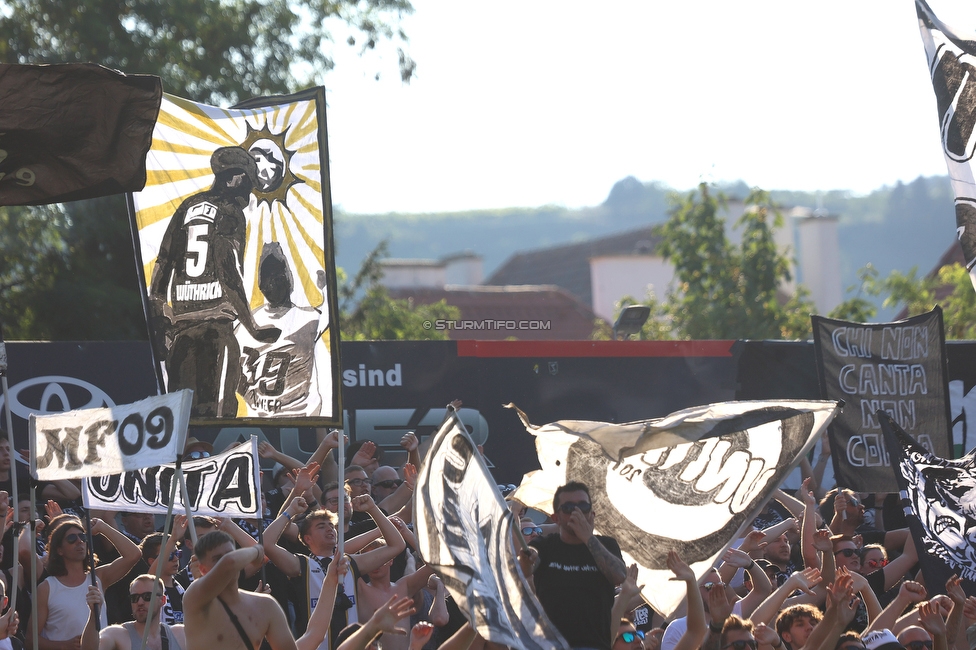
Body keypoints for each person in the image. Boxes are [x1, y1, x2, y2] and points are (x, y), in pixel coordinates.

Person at [148, 145, 281, 418]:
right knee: (217, 415)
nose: (249, 194)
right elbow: (228, 270)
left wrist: (158, 311)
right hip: (215, 331)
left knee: (182, 418)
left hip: (182, 330)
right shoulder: (231, 211)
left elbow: (163, 262)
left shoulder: (186, 207)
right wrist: (253, 328)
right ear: (236, 178)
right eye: (249, 185)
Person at [264, 494, 406, 650]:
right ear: (307, 538)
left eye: (331, 526)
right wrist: (290, 511)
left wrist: (373, 509)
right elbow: (267, 543)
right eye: (321, 526)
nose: (329, 529)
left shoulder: (350, 563)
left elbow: (397, 545)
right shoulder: (301, 565)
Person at [518, 481, 626, 650]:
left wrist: (588, 538)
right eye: (568, 508)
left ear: (592, 513)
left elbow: (619, 576)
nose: (577, 512)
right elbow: (527, 567)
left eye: (583, 506)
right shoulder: (545, 545)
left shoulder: (607, 545)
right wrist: (525, 560)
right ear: (556, 518)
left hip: (595, 645)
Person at [237, 242, 330, 418]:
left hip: (294, 418)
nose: (275, 282)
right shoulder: (311, 319)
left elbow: (234, 374)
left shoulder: (243, 326)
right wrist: (325, 287)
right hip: (288, 419)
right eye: (270, 277)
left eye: (279, 276)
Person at [29, 517, 142, 650]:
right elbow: (30, 640)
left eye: (83, 537)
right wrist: (64, 645)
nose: (80, 541)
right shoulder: (47, 587)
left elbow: (134, 554)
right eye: (72, 539)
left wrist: (103, 527)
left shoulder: (98, 578)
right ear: (59, 550)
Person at [182, 531, 294, 650]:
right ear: (203, 569)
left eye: (230, 553)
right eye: (217, 559)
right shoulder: (196, 597)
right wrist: (257, 550)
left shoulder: (266, 605)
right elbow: (230, 562)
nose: (226, 561)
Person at [81, 576, 185, 650]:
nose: (140, 602)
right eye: (134, 598)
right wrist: (94, 614)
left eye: (147, 597)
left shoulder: (179, 634)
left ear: (162, 600)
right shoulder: (118, 634)